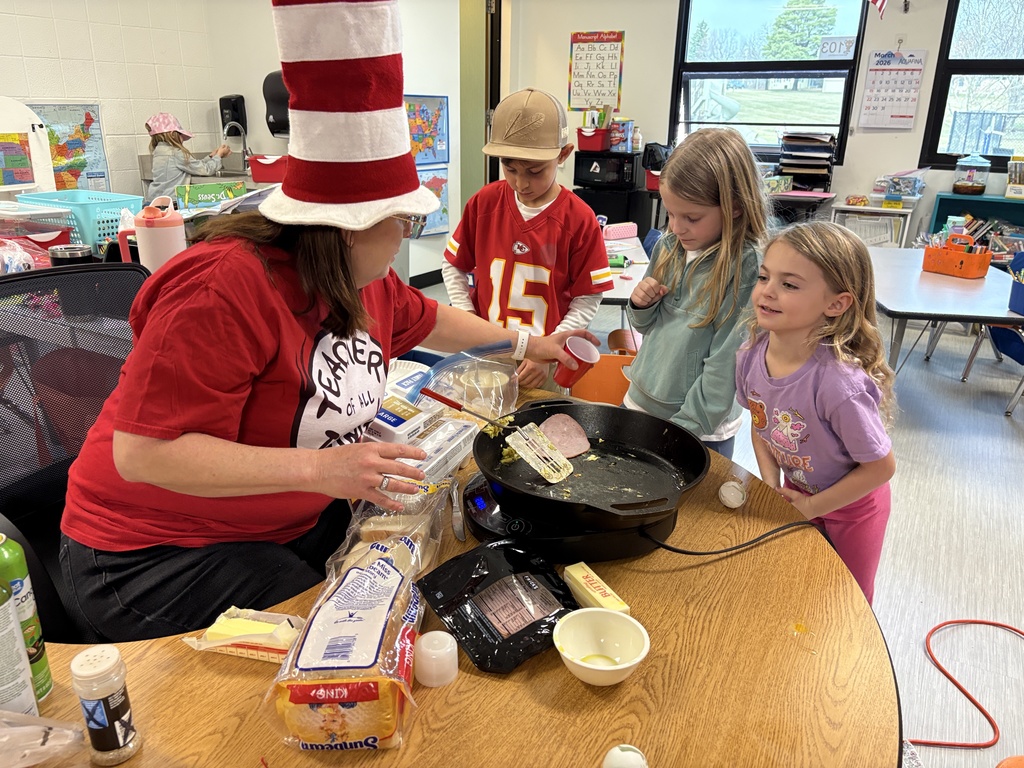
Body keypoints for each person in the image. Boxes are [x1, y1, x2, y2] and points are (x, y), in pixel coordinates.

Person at [59, 0, 595, 642]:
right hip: (150, 553)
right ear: (345, 228)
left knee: (402, 578)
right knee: (333, 639)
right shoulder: (226, 287)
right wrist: (322, 472)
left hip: (273, 521)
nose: (406, 234)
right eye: (401, 220)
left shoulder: (366, 282)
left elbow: (436, 323)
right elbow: (145, 452)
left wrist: (530, 342)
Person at [735, 222, 896, 604]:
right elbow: (762, 425)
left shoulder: (839, 385)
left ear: (836, 303)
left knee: (847, 598)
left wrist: (813, 507)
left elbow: (880, 468)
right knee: (799, 581)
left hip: (855, 508)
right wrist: (772, 483)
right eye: (764, 277)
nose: (767, 292)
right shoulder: (749, 356)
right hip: (799, 489)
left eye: (789, 284)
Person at [442, 88, 613, 389]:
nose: (521, 183)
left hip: (543, 361)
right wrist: (468, 320)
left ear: (563, 155)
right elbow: (453, 265)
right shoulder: (484, 204)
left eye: (535, 171)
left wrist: (549, 350)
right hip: (487, 350)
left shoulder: (579, 219)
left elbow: (588, 297)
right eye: (510, 169)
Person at [623, 127, 768, 459]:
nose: (676, 227)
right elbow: (644, 326)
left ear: (734, 207)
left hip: (699, 427)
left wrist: (682, 431)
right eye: (671, 213)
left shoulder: (746, 269)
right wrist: (640, 303)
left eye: (691, 217)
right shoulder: (668, 245)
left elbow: (726, 365)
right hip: (641, 400)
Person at [145, 112, 231, 201]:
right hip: (171, 202)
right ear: (172, 135)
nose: (182, 139)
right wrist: (219, 156)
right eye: (180, 135)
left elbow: (193, 165)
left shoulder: (158, 151)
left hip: (155, 201)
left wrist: (211, 156)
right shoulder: (176, 153)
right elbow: (206, 170)